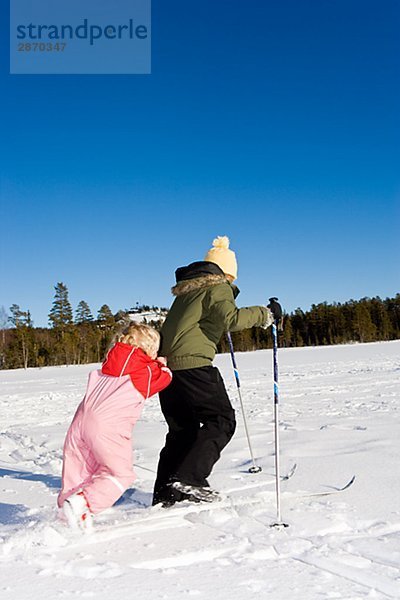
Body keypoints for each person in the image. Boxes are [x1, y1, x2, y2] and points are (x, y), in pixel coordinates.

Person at [152, 236, 282, 507]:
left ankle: (166, 493)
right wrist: (266, 314)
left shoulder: (187, 293)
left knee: (181, 431)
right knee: (222, 420)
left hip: (168, 370)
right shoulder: (217, 287)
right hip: (194, 366)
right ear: (225, 272)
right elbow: (231, 319)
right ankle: (191, 478)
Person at [58, 322, 172, 531]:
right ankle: (83, 503)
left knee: (79, 470)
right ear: (150, 348)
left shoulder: (110, 364)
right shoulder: (143, 371)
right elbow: (164, 379)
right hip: (107, 426)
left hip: (80, 422)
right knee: (119, 473)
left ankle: (67, 516)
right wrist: (162, 364)